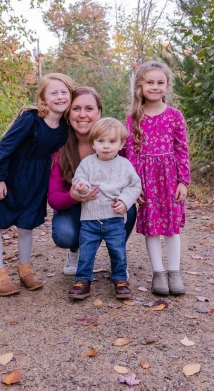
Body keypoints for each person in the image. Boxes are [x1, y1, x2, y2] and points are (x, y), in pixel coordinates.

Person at [0, 73, 76, 296]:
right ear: (43, 98)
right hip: (8, 173)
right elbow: (4, 148)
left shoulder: (64, 128)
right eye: (54, 93)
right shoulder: (30, 119)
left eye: (64, 92)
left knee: (26, 223)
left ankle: (25, 271)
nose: (59, 97)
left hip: (35, 179)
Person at [48, 87, 137, 275]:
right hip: (75, 208)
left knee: (129, 207)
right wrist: (73, 196)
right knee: (65, 234)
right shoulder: (60, 146)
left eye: (89, 108)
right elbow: (54, 198)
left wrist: (130, 195)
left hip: (109, 204)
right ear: (68, 112)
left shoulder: (114, 141)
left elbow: (132, 176)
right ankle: (76, 250)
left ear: (99, 112)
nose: (82, 115)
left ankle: (118, 257)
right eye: (76, 108)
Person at [126, 60, 190, 296]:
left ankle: (175, 271)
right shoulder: (134, 117)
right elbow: (131, 152)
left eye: (160, 82)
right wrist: (135, 186)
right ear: (140, 86)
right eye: (149, 82)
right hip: (146, 180)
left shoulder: (175, 115)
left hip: (170, 178)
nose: (155, 86)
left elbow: (182, 149)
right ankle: (159, 273)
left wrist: (183, 181)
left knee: (172, 228)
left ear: (167, 85)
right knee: (152, 228)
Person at [68, 118, 141, 300]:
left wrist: (125, 201)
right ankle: (83, 280)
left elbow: (135, 186)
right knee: (86, 252)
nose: (106, 146)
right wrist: (81, 186)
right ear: (93, 143)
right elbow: (79, 178)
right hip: (90, 219)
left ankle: (120, 279)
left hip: (114, 218)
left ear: (121, 143)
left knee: (118, 250)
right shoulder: (88, 163)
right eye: (101, 141)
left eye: (111, 142)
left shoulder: (124, 165)